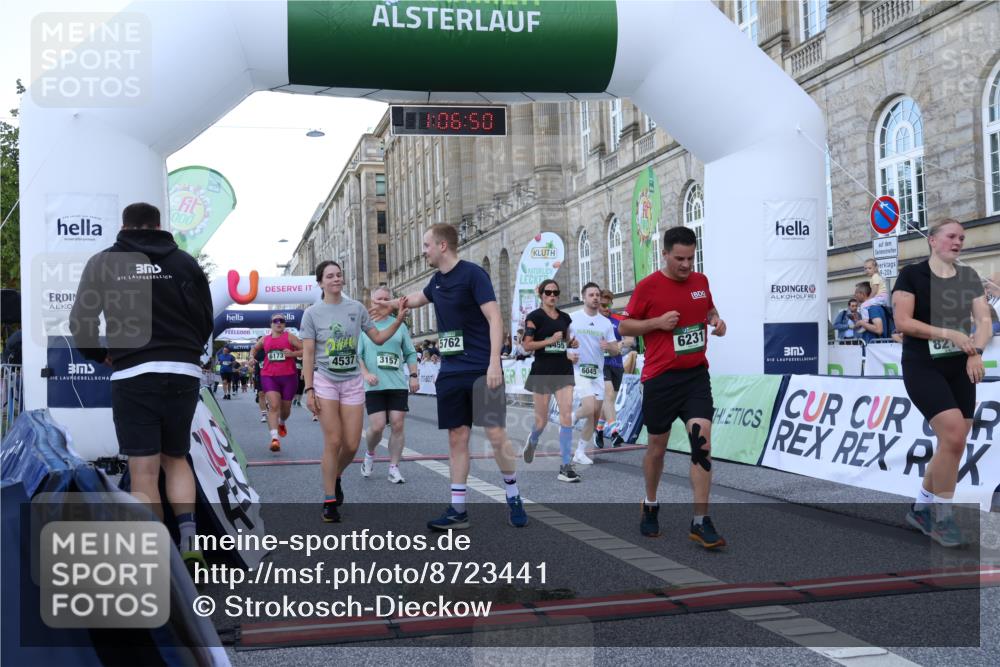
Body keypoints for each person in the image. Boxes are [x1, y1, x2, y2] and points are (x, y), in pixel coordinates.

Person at [69, 202, 213, 570]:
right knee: (177, 458)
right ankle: (189, 540)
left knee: (144, 467)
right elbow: (205, 317)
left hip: (133, 371)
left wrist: (98, 353)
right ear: (158, 224)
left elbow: (81, 319)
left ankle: (155, 553)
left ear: (124, 226)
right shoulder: (184, 262)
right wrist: (188, 350)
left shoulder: (103, 261)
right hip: (182, 370)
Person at [375, 223, 528, 530]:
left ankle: (512, 493)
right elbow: (419, 297)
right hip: (451, 372)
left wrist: (494, 363)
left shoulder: (473, 275)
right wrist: (392, 304)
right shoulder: (437, 281)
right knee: (457, 438)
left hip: (480, 369)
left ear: (442, 246)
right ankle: (458, 509)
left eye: (426, 245)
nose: (423, 250)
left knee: (496, 436)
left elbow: (494, 317)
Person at [619, 226, 727, 548]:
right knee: (657, 449)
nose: (685, 265)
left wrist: (717, 322)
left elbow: (710, 310)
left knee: (701, 443)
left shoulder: (700, 282)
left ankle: (700, 520)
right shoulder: (648, 287)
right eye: (679, 258)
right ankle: (650, 503)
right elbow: (624, 325)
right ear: (664, 254)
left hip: (695, 375)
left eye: (691, 258)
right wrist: (655, 323)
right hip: (660, 380)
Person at [893, 219, 992, 547]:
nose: (958, 241)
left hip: (960, 367)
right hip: (923, 365)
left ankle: (921, 507)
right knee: (952, 433)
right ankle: (941, 516)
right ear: (933, 241)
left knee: (956, 441)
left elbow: (984, 322)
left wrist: (976, 350)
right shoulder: (912, 274)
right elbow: (903, 321)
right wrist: (947, 332)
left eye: (962, 237)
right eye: (951, 236)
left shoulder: (968, 277)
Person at [301, 260, 408, 523]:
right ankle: (329, 500)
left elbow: (378, 339)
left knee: (351, 445)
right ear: (320, 282)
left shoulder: (357, 309)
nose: (336, 279)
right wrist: (309, 388)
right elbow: (308, 352)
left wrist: (400, 319)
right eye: (330, 276)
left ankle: (335, 476)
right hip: (325, 380)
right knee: (334, 441)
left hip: (351, 382)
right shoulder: (312, 313)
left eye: (339, 275)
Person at [358, 286, 420, 484]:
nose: (382, 302)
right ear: (372, 301)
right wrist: (366, 374)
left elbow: (410, 353)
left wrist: (413, 375)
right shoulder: (364, 326)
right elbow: (357, 355)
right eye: (379, 299)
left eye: (386, 299)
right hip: (374, 385)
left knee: (397, 424)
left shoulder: (399, 325)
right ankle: (369, 453)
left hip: (396, 384)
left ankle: (394, 467)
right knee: (376, 427)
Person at [520, 279, 580, 482]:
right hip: (543, 371)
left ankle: (565, 465)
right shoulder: (534, 317)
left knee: (566, 416)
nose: (552, 296)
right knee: (541, 420)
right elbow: (527, 346)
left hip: (563, 369)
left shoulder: (565, 318)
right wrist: (549, 341)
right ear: (541, 294)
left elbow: (565, 341)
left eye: (556, 292)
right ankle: (533, 439)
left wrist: (570, 343)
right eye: (548, 292)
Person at [567, 283, 620, 466]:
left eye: (597, 294)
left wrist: (610, 347)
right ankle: (571, 418)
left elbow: (615, 351)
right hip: (579, 370)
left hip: (597, 373)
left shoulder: (605, 323)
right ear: (584, 297)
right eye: (592, 295)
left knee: (595, 414)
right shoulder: (572, 318)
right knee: (589, 408)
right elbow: (561, 343)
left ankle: (580, 452)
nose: (596, 298)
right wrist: (568, 354)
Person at [250, 314, 303, 453]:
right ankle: (274, 439)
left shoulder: (290, 337)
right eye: (276, 321)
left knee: (285, 410)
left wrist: (292, 354)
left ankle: (282, 423)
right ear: (271, 324)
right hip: (269, 376)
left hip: (289, 377)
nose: (279, 323)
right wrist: (251, 357)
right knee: (273, 406)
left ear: (284, 324)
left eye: (282, 321)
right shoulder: (265, 339)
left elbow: (306, 350)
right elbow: (254, 349)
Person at [597, 289, 633, 448]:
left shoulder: (617, 320)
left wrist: (620, 344)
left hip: (617, 364)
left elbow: (630, 339)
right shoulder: (593, 321)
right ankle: (614, 432)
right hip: (601, 364)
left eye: (608, 304)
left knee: (609, 400)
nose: (606, 308)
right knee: (609, 394)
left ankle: (598, 429)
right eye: (603, 305)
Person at [252, 336, 267, 421]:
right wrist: (252, 367)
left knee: (270, 394)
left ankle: (269, 405)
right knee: (261, 394)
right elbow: (250, 365)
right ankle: (264, 414)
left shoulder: (270, 350)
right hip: (260, 375)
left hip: (271, 375)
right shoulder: (256, 352)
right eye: (258, 341)